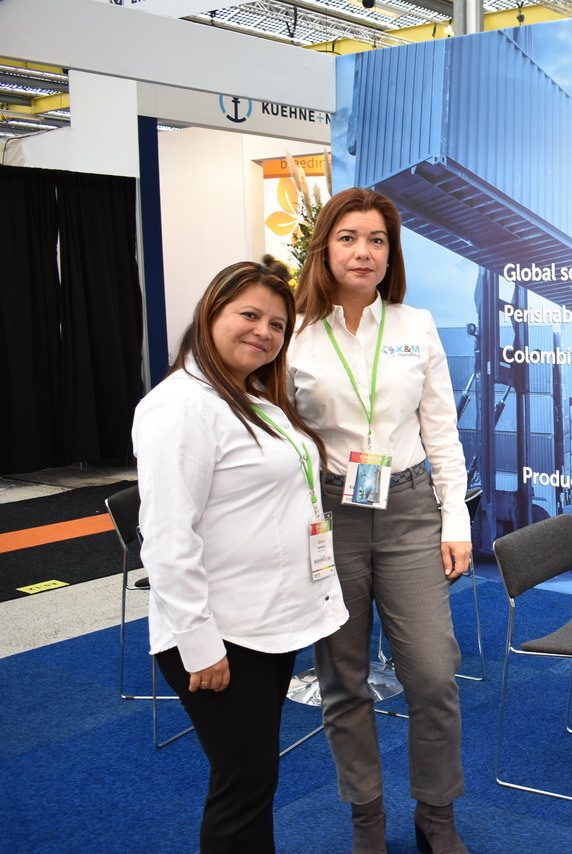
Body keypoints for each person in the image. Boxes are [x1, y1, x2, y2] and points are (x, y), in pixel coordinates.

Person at [133, 261, 348, 853]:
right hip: (220, 634)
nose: (264, 332)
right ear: (211, 313)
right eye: (249, 315)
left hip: (264, 622)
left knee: (254, 778)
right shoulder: (181, 407)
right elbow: (168, 539)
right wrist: (199, 643)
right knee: (243, 785)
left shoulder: (248, 396)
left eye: (277, 325)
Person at [289, 187, 471, 854]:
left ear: (391, 254)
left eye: (377, 240)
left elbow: (442, 430)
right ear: (324, 248)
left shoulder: (414, 325)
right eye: (348, 237)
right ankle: (367, 819)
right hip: (329, 514)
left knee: (433, 674)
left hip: (410, 509)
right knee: (343, 677)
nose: (363, 251)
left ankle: (436, 814)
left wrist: (456, 520)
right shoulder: (294, 334)